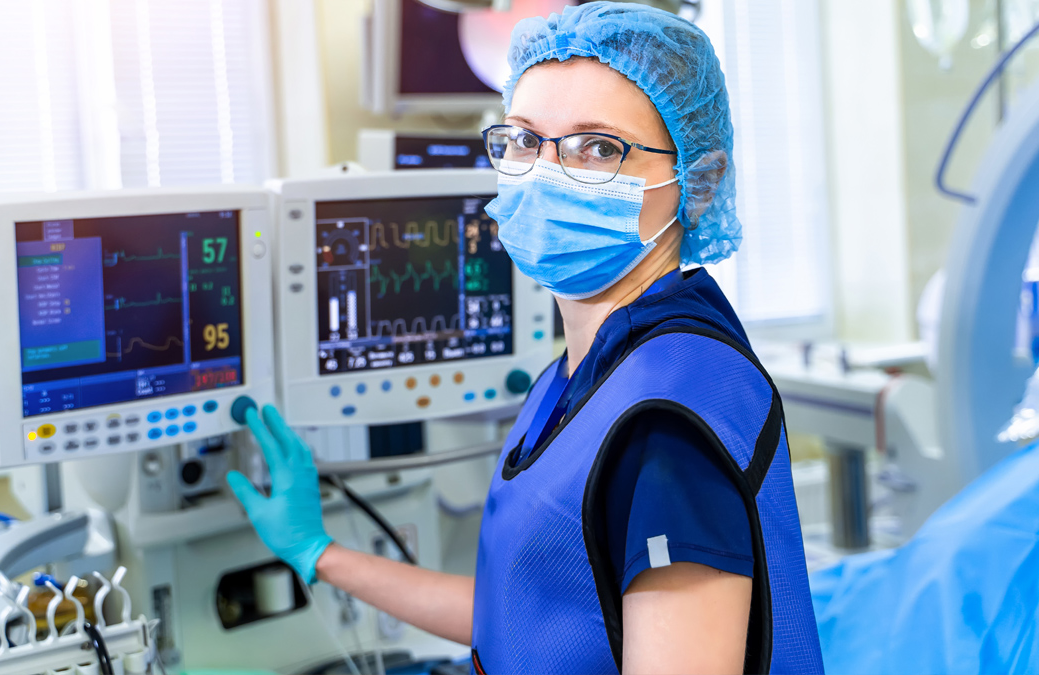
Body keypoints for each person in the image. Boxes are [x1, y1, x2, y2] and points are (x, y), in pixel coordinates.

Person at [228, 3, 824, 673]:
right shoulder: (579, 377)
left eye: (597, 147)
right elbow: (529, 615)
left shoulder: (664, 420)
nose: (544, 172)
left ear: (699, 182)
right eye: (522, 139)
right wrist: (319, 552)